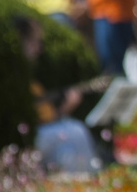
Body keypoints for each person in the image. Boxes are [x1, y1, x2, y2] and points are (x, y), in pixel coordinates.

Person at [15, 16, 100, 176]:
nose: (39, 48)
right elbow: (33, 121)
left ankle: (82, 184)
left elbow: (45, 117)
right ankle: (92, 178)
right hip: (22, 140)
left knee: (66, 150)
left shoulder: (28, 77)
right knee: (76, 130)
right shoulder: (13, 76)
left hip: (37, 136)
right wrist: (65, 109)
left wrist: (65, 108)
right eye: (35, 41)